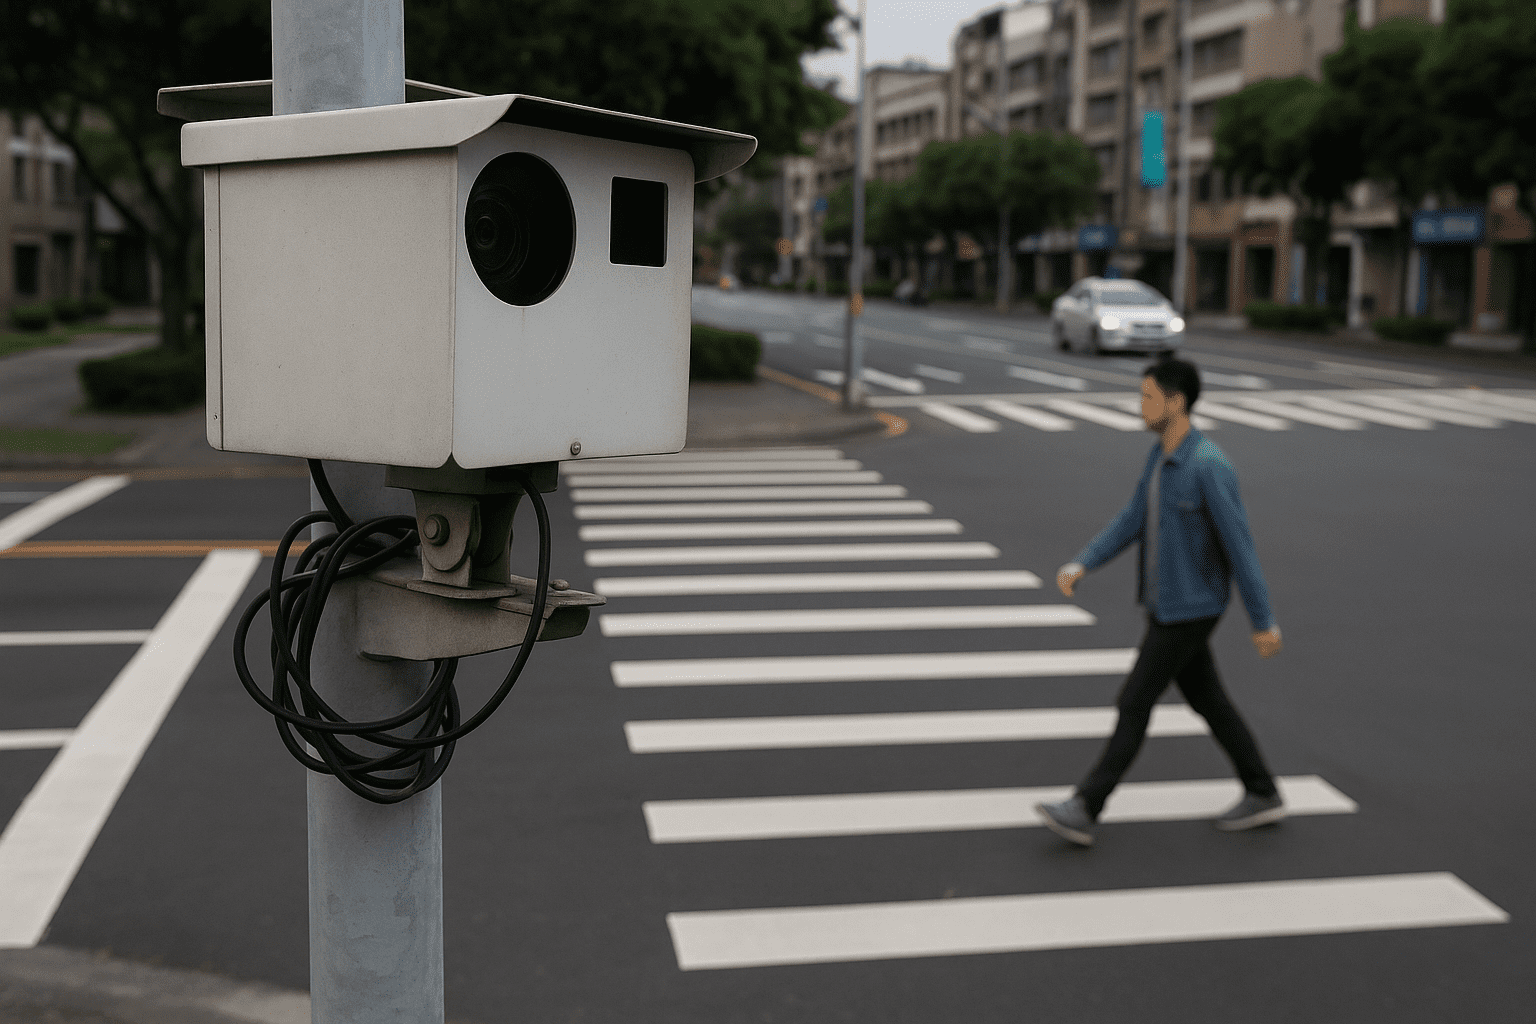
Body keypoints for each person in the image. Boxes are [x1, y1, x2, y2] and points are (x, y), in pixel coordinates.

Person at [1036, 357, 1285, 847]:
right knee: (1209, 700)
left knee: (1134, 701)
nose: (1141, 406)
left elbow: (1241, 549)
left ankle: (1086, 806)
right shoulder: (1159, 457)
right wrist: (1083, 562)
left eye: (1148, 397)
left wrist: (1263, 621)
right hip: (1167, 604)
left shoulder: (1208, 466)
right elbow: (1133, 519)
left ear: (1177, 402)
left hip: (1191, 610)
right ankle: (1262, 790)